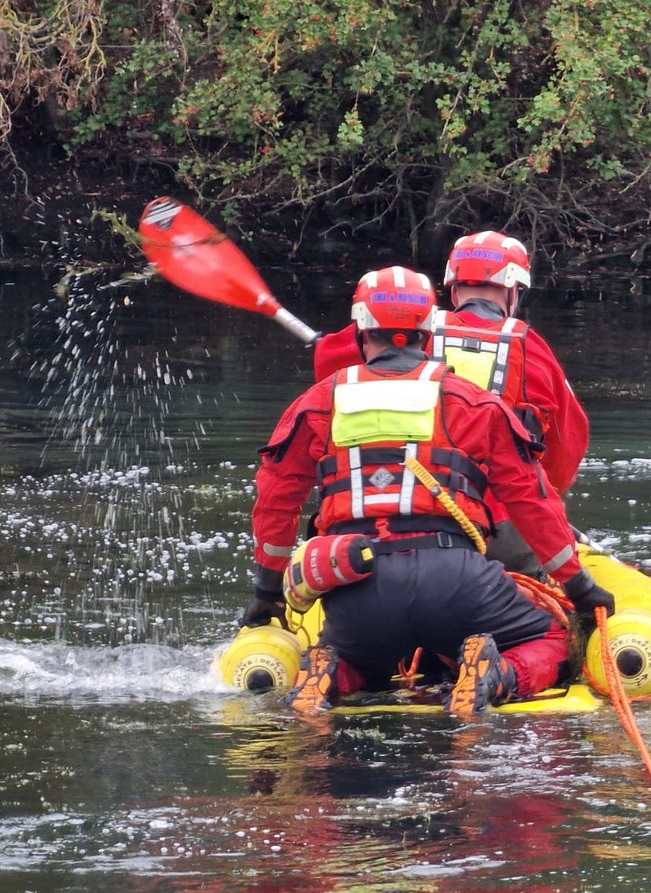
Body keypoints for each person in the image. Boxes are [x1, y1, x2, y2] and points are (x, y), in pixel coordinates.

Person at [243, 266, 613, 718]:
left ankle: (333, 673)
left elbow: (276, 499)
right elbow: (532, 500)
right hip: (455, 580)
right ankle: (497, 677)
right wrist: (579, 587)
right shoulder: (473, 403)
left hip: (358, 588)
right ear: (428, 331)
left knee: (363, 661)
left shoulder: (317, 402)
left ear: (361, 329)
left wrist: (268, 591)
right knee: (550, 639)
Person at [312, 230, 588, 496]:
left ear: (453, 290)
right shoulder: (532, 349)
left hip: (393, 493)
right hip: (495, 512)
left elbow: (329, 366)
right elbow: (567, 447)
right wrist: (544, 499)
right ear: (514, 291)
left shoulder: (412, 328)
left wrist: (326, 344)